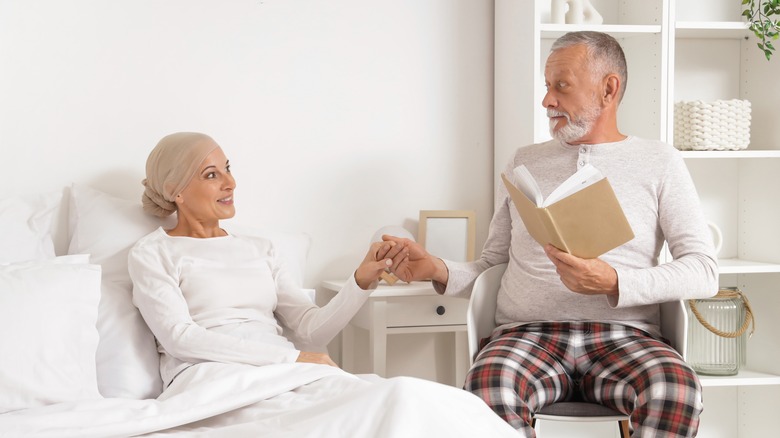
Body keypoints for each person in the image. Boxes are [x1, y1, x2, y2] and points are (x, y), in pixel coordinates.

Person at [382, 31, 719, 437]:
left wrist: (614, 281)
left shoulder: (659, 162)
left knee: (675, 390)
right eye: (547, 86)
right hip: (528, 334)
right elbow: (493, 265)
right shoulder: (525, 161)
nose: (547, 101)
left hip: (626, 336)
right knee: (489, 387)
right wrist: (436, 269)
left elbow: (703, 270)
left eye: (561, 86)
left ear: (608, 89)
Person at [127, 132, 520, 437]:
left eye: (228, 168)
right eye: (211, 175)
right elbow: (182, 339)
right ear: (176, 190)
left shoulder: (260, 248)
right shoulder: (152, 253)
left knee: (406, 398)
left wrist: (360, 282)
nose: (230, 182)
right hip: (212, 378)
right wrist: (292, 359)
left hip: (287, 374)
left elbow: (312, 329)